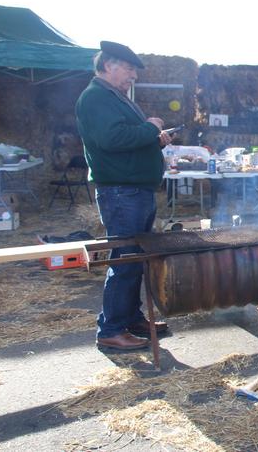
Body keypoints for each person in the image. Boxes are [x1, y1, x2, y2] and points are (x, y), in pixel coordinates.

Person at [76, 41, 174, 350]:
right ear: (108, 65)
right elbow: (111, 138)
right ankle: (111, 329)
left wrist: (154, 141)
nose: (133, 76)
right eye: (129, 68)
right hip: (121, 192)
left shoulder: (114, 97)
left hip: (134, 190)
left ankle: (130, 318)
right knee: (125, 260)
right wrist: (149, 128)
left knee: (136, 260)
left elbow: (126, 140)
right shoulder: (95, 98)